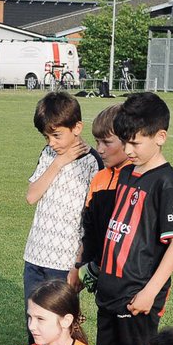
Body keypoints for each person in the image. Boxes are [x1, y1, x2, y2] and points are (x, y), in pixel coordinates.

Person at [93, 93, 173, 345]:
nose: (129, 150)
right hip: (110, 295)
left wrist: (149, 292)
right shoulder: (128, 174)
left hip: (137, 300)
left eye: (135, 143)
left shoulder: (166, 183)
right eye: (125, 142)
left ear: (160, 137)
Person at [21, 91, 100, 300]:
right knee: (33, 317)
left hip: (65, 262)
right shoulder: (49, 155)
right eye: (46, 137)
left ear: (77, 128)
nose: (51, 143)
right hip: (35, 255)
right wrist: (58, 163)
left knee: (61, 318)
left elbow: (92, 220)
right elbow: (31, 196)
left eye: (56, 136)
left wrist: (79, 264)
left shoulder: (92, 162)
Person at [70, 103, 126, 292]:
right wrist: (80, 264)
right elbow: (89, 229)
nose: (100, 149)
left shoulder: (137, 181)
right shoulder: (99, 179)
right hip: (102, 280)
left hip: (128, 282)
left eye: (107, 142)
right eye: (97, 142)